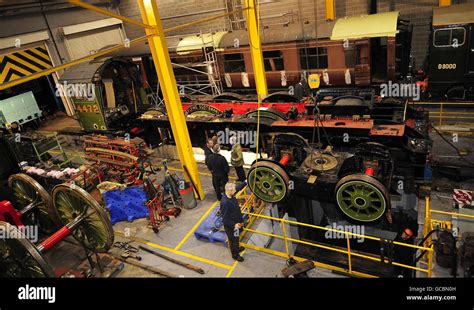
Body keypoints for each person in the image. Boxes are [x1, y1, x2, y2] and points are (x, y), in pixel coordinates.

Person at [221, 181, 247, 262]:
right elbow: (225, 219)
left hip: (237, 221)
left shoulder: (230, 194)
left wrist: (246, 182)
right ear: (229, 191)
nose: (235, 191)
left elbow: (238, 188)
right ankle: (235, 255)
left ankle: (237, 248)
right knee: (234, 241)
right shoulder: (225, 203)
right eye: (234, 191)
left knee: (237, 238)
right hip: (232, 227)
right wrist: (234, 225)